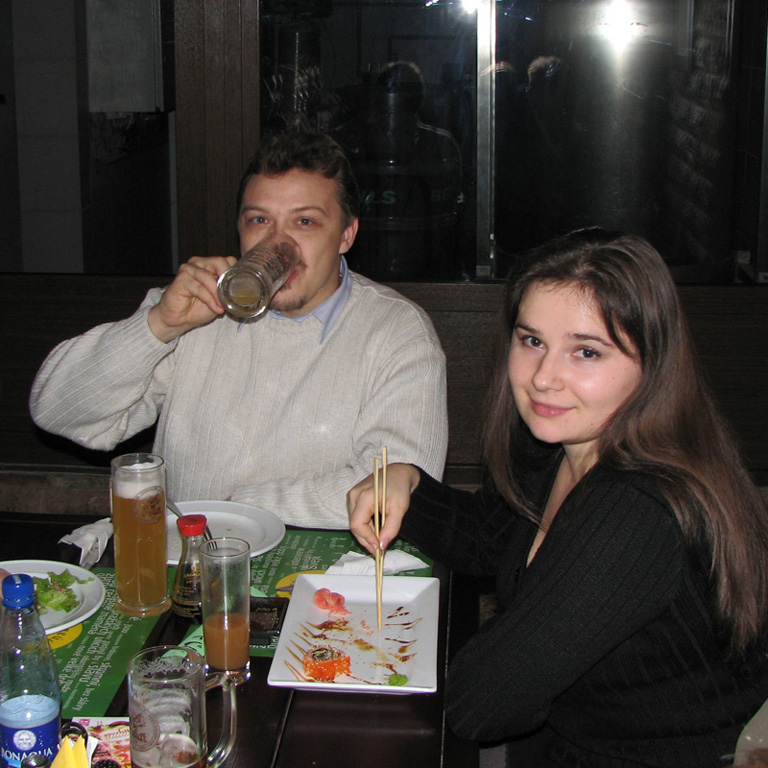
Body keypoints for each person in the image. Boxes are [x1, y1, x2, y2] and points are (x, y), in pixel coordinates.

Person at [348, 228, 768, 767]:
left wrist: (504, 644)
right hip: (576, 732)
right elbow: (487, 539)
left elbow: (481, 705)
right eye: (532, 341)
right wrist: (405, 480)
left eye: (586, 352)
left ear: (653, 362)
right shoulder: (562, 446)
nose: (544, 378)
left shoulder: (635, 509)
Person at [30, 132, 448, 528]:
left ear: (346, 234)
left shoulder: (395, 330)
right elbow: (58, 413)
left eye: (305, 222)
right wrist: (157, 326)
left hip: (317, 568)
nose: (278, 244)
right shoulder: (196, 308)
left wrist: (235, 511)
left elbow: (397, 482)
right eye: (259, 219)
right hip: (187, 563)